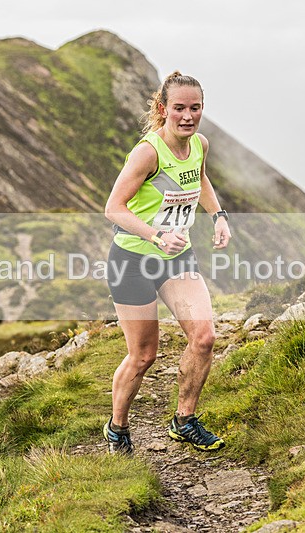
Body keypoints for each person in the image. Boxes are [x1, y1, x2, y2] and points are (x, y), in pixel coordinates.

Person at [102, 71, 231, 455]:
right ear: (163, 109)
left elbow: (199, 180)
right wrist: (155, 235)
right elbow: (114, 208)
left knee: (204, 337)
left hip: (176, 259)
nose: (187, 116)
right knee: (143, 356)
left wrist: (218, 215)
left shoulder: (199, 145)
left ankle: (184, 421)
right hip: (132, 261)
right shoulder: (148, 152)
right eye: (179, 108)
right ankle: (117, 428)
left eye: (195, 108)